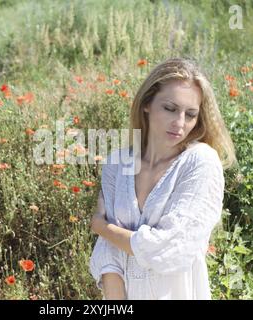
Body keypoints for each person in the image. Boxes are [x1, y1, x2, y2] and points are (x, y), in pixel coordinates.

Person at [89, 57, 238, 300]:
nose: (179, 123)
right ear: (147, 103)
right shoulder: (117, 163)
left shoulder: (200, 161)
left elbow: (170, 251)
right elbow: (108, 252)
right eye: (170, 108)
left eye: (190, 114)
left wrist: (101, 227)